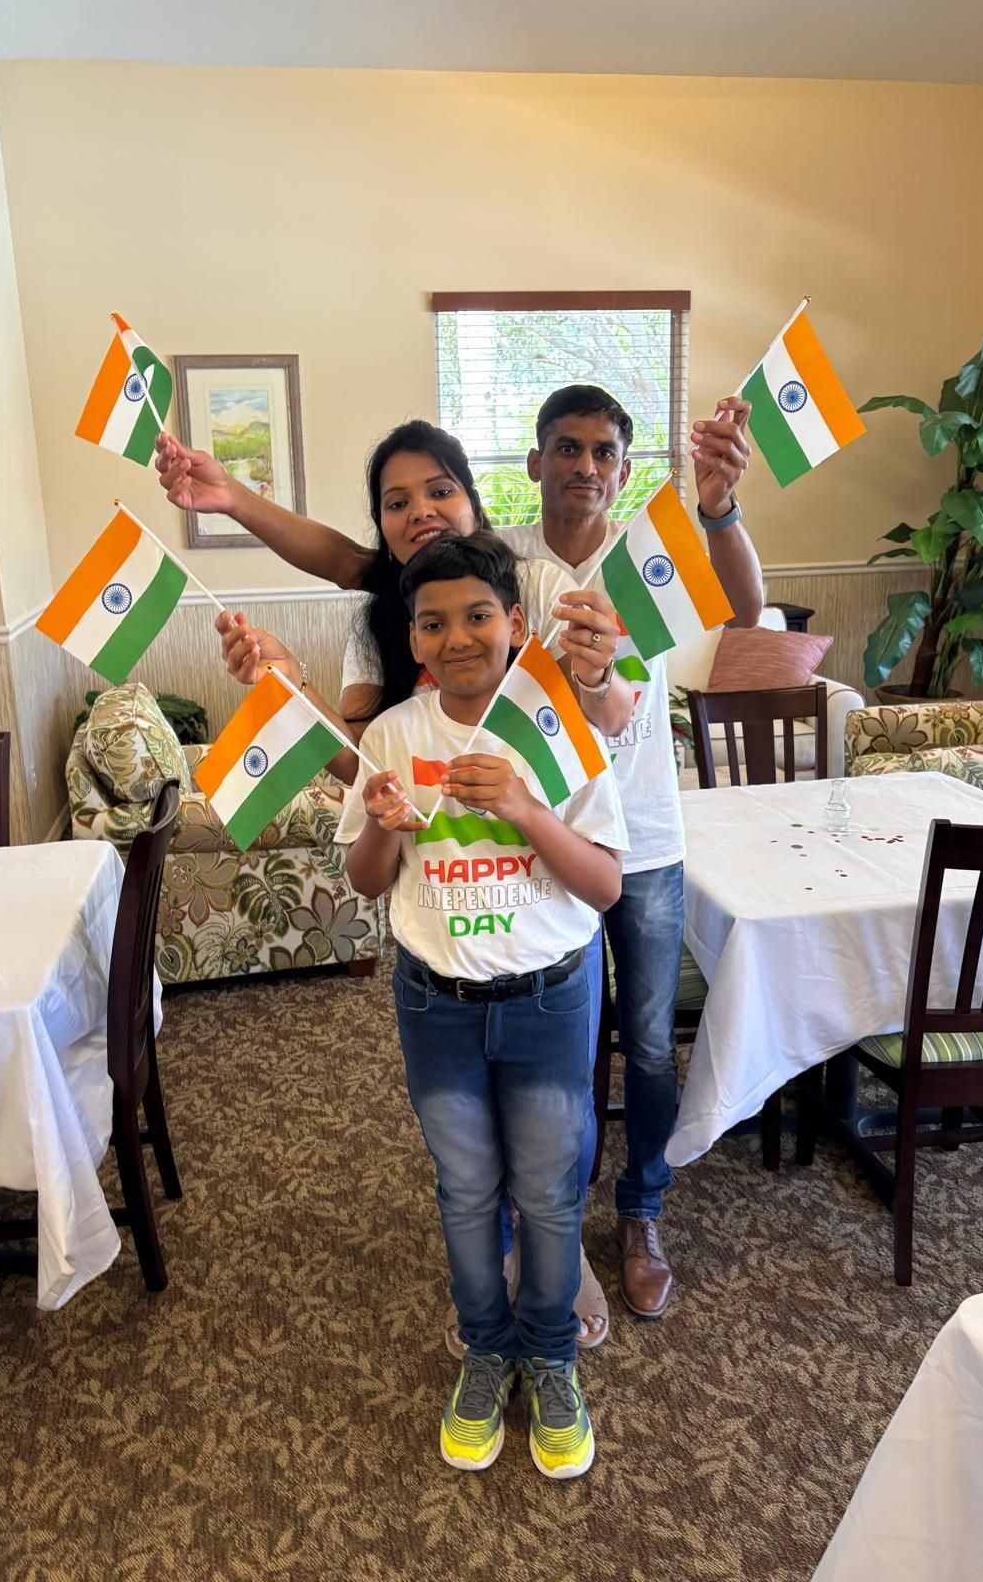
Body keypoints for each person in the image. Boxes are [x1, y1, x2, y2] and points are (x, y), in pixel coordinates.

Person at [156, 419, 622, 1346]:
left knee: (557, 1134)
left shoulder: (532, 577)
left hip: (566, 884)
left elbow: (605, 713)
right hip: (441, 946)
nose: (421, 513)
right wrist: (282, 692)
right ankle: (488, 1272)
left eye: (439, 489)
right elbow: (361, 764)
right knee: (468, 1162)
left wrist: (598, 680)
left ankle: (556, 1262)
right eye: (395, 503)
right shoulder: (385, 623)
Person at [336, 530, 628, 1478]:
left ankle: (548, 1353)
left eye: (477, 616)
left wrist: (526, 810)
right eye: (433, 623)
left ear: (514, 623)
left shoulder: (557, 726)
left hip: (549, 1001)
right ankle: (485, 1341)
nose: (458, 637)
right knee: (465, 1187)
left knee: (546, 1191)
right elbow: (369, 878)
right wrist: (382, 828)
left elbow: (607, 887)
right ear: (413, 642)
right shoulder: (392, 737)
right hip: (437, 1004)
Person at [499, 385, 763, 1320]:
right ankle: (550, 1215)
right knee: (556, 1053)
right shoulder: (499, 562)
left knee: (649, 1047)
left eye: (604, 452)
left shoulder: (650, 558)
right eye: (565, 448)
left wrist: (721, 504)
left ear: (622, 467)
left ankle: (642, 1209)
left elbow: (747, 601)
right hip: (546, 842)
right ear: (535, 462)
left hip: (645, 838)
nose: (584, 467)